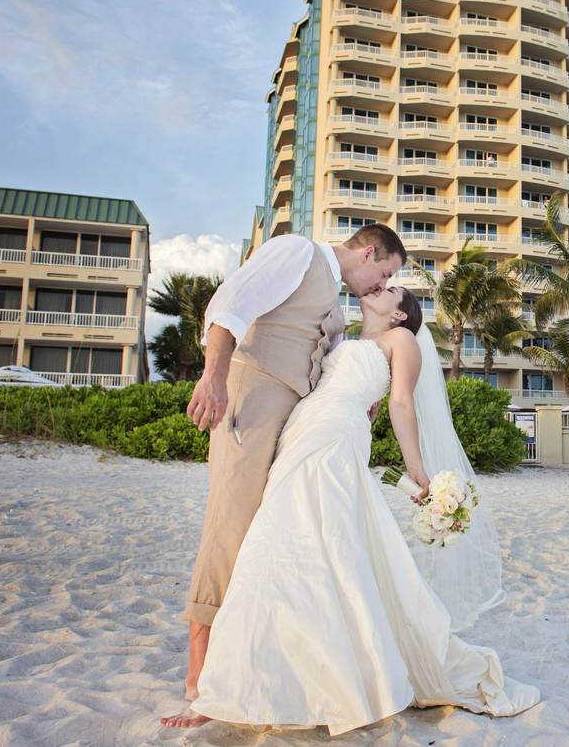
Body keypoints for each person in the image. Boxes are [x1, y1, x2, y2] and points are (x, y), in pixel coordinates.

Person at [176, 287, 539, 733]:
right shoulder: (345, 341)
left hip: (334, 439)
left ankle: (243, 688)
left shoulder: (401, 342)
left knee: (294, 544)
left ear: (401, 315)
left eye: (390, 290)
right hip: (300, 433)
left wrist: (416, 468)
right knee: (291, 543)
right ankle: (273, 678)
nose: (377, 289)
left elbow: (401, 402)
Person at [161, 224, 404, 727]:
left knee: (266, 536)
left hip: (294, 422)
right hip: (251, 398)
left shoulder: (337, 308)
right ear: (368, 251)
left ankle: (247, 662)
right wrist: (214, 377)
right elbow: (230, 306)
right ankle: (198, 672)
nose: (380, 286)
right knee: (229, 526)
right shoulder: (297, 253)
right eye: (383, 273)